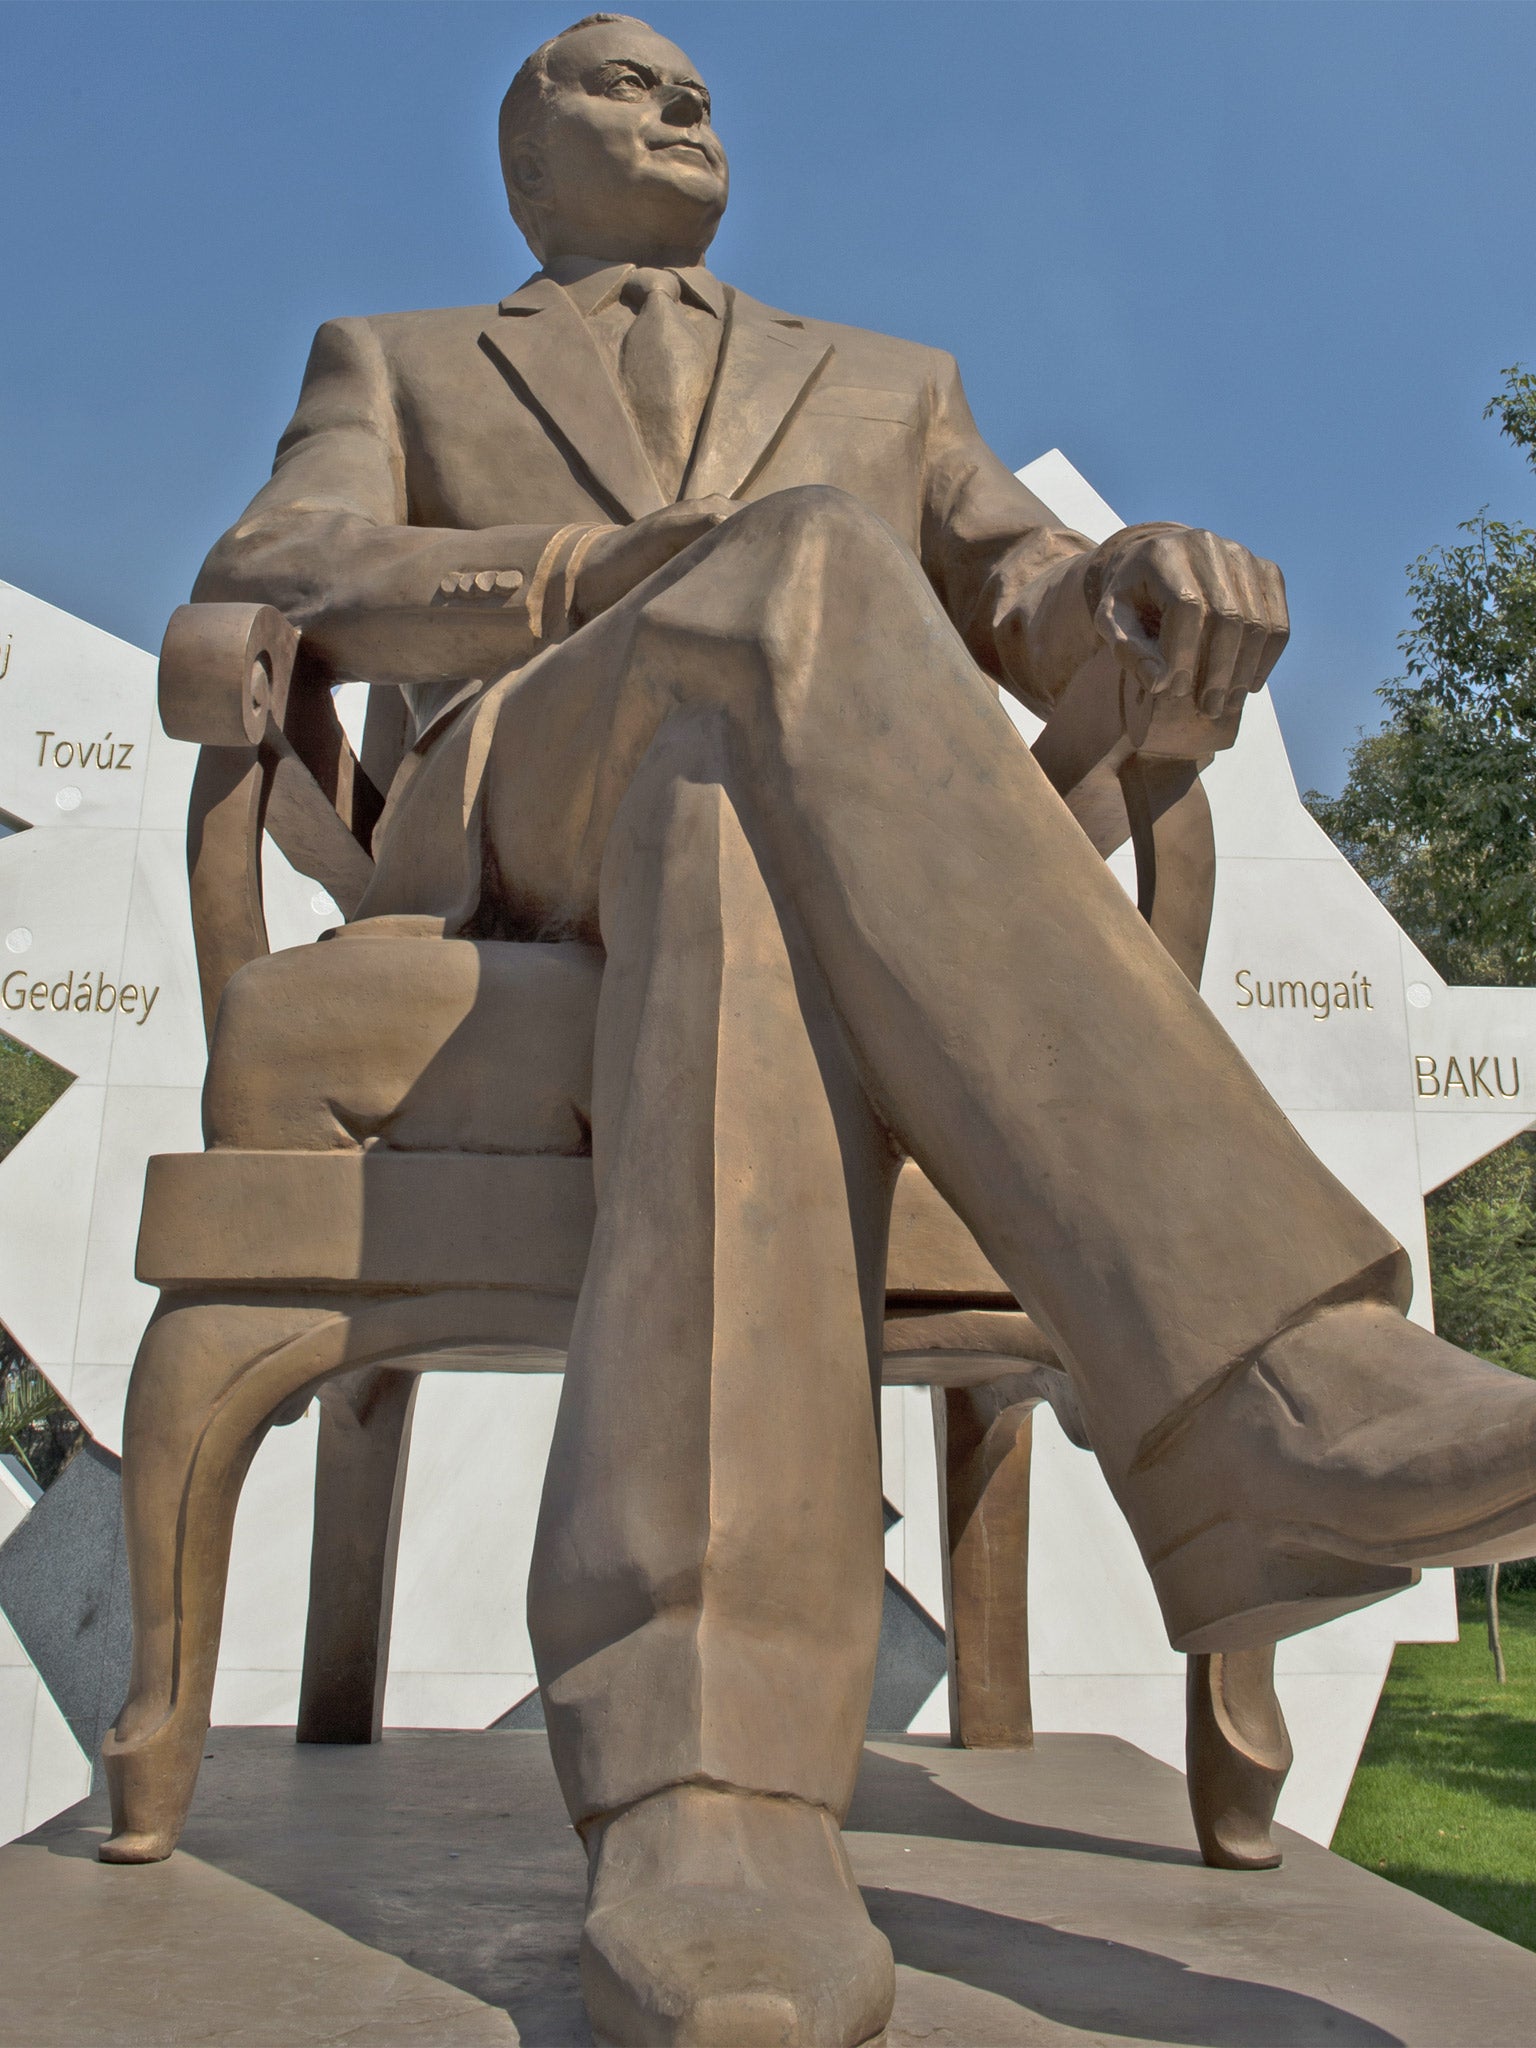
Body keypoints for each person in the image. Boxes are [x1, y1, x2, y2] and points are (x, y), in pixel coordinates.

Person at [194, 16, 1536, 2045]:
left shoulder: (896, 384)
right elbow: (281, 568)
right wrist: (591, 573)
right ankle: (1270, 1382)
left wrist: (1137, 581)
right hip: (520, 814)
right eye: (619, 81)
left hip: (763, 831)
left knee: (732, 820)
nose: (682, 102)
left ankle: (714, 1796)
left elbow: (1033, 590)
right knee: (796, 568)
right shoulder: (394, 357)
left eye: (697, 87)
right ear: (524, 159)